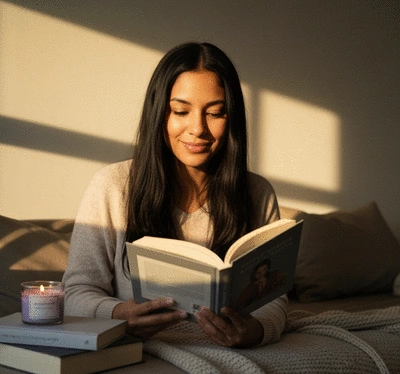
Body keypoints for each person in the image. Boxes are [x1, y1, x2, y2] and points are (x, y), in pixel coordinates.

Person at [63, 42, 287, 348]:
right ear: (159, 112)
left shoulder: (258, 193)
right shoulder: (112, 186)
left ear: (231, 118)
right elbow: (76, 293)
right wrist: (117, 313)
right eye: (180, 111)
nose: (198, 129)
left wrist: (256, 331)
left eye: (216, 113)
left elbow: (274, 300)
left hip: (235, 351)